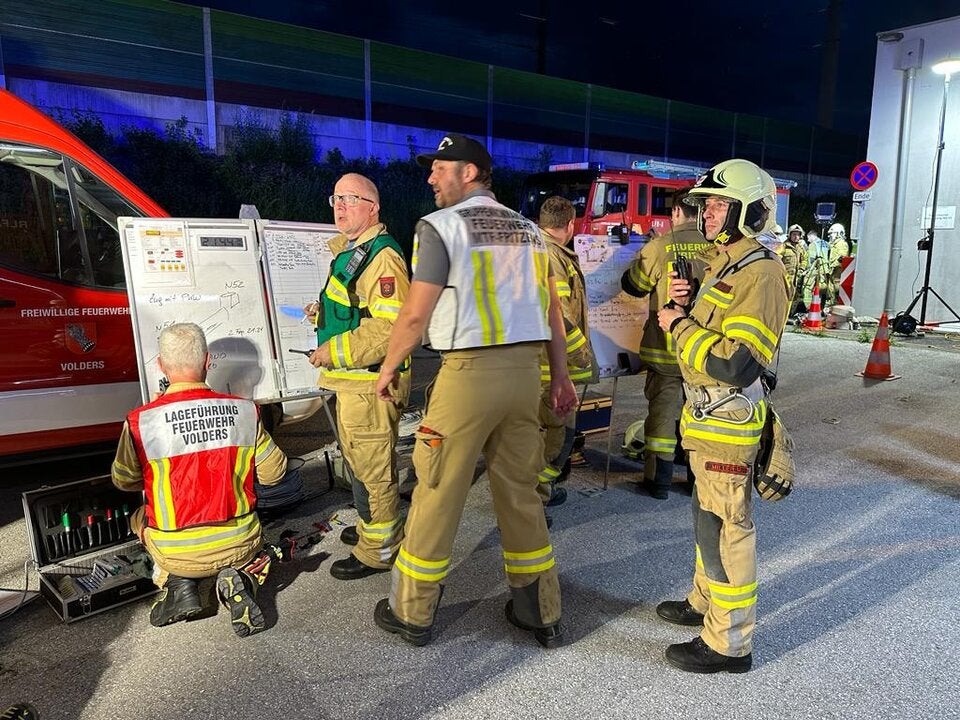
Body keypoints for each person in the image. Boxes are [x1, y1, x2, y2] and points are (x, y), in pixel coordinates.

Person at [371, 133, 578, 648]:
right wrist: (563, 377)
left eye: (439, 169)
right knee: (521, 493)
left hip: (467, 378)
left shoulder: (441, 227)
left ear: (468, 172)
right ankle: (540, 611)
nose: (430, 178)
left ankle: (412, 613)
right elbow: (553, 312)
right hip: (524, 378)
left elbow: (415, 313)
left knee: (438, 491)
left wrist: (388, 367)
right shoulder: (530, 232)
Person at [656, 159, 789, 673]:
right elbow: (718, 327)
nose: (706, 213)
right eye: (706, 204)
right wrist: (689, 307)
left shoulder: (761, 271)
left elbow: (735, 362)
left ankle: (728, 644)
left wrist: (676, 324)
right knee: (705, 516)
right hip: (705, 421)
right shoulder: (726, 263)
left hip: (728, 420)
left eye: (716, 204)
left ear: (747, 211)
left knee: (728, 527)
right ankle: (704, 602)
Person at [111, 322, 288, 637]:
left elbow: (123, 480)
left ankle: (176, 581)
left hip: (176, 552)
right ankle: (243, 578)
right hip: (241, 542)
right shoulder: (245, 412)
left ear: (162, 366)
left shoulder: (142, 421)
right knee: (251, 550)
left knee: (138, 518)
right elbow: (275, 474)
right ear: (208, 361)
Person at [306, 173, 411, 581]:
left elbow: (390, 328)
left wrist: (331, 349)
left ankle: (380, 550)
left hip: (372, 383)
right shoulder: (354, 251)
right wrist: (324, 314)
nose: (340, 205)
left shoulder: (381, 256)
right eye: (335, 197)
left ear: (374, 207)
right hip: (354, 382)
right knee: (359, 464)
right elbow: (357, 309)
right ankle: (371, 530)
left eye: (351, 198)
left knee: (374, 469)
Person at [621, 188, 710, 499]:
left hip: (667, 349)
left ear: (675, 213)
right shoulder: (717, 247)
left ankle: (658, 481)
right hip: (704, 352)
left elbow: (634, 286)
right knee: (701, 415)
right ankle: (698, 482)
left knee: (662, 413)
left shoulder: (661, 245)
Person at [535, 196, 597, 509]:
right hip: (551, 368)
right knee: (557, 435)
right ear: (570, 225)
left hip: (541, 366)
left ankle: (537, 492)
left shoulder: (537, 249)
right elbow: (558, 315)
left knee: (544, 433)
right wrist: (582, 354)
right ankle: (539, 494)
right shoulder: (553, 258)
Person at [779, 223, 808, 317]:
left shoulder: (800, 248)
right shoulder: (783, 247)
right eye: (794, 234)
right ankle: (782, 316)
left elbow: (805, 259)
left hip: (796, 279)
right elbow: (777, 260)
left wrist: (801, 269)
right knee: (783, 297)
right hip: (785, 279)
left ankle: (789, 315)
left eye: (798, 235)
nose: (796, 237)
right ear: (790, 235)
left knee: (794, 298)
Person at [824, 222, 849, 308]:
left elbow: (841, 258)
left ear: (839, 233)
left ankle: (836, 306)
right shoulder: (834, 244)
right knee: (830, 290)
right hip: (832, 271)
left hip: (837, 272)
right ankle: (831, 306)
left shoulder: (841, 244)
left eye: (832, 233)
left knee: (836, 289)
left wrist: (832, 268)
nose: (830, 236)